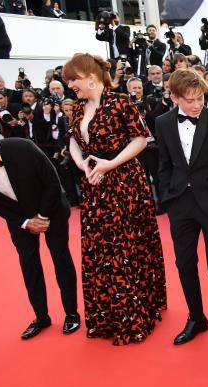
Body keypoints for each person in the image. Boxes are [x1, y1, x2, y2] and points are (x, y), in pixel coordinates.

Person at [63, 53, 167, 345]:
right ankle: (107, 316)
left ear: (91, 77)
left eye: (74, 79)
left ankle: (135, 313)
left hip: (125, 184)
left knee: (125, 246)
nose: (70, 84)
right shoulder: (80, 109)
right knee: (99, 250)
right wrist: (83, 164)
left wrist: (110, 164)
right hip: (95, 185)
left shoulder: (121, 102)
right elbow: (72, 141)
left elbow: (140, 139)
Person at [0, 128, 79, 339]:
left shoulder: (23, 147)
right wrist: (24, 222)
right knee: (29, 265)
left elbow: (52, 183)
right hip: (19, 220)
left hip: (52, 209)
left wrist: (42, 216)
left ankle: (72, 313)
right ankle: (41, 317)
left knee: (61, 259)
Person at [156, 69, 208, 347]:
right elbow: (163, 163)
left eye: (200, 97)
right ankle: (196, 317)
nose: (196, 104)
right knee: (184, 263)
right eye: (189, 100)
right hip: (180, 204)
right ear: (174, 97)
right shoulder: (163, 123)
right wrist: (166, 196)